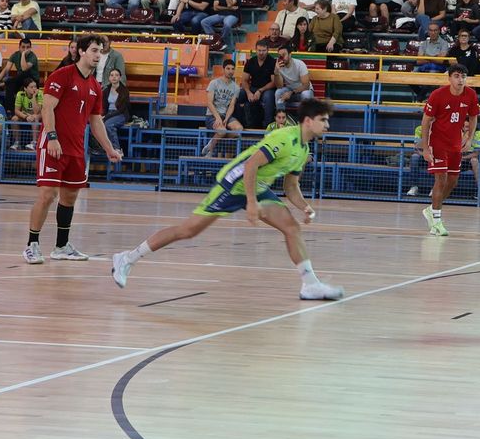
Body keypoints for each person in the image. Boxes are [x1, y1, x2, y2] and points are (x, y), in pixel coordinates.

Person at [113, 99, 343, 301]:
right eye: (323, 120)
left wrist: (305, 207)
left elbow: (291, 187)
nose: (327, 125)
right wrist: (252, 204)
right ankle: (127, 258)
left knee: (292, 228)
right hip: (234, 183)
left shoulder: (303, 151)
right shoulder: (284, 138)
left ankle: (311, 284)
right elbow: (251, 165)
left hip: (258, 187)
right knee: (187, 231)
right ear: (308, 121)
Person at [25, 34, 123, 264]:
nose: (98, 55)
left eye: (100, 51)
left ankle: (61, 246)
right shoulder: (62, 75)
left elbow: (96, 121)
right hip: (53, 144)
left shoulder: (96, 87)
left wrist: (109, 149)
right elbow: (48, 108)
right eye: (94, 50)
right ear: (81, 51)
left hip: (76, 149)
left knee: (69, 197)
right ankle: (32, 245)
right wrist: (52, 137)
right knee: (48, 194)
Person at [417, 64, 479, 237]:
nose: (460, 80)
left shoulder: (471, 95)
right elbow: (426, 121)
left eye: (463, 76)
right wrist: (425, 147)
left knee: (453, 182)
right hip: (438, 143)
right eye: (457, 76)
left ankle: (431, 209)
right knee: (441, 179)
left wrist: (469, 138)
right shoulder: (438, 95)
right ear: (450, 78)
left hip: (455, 144)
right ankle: (436, 221)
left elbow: (473, 117)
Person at [204, 59, 245, 157]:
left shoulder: (236, 87)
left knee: (239, 129)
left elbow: (232, 105)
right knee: (222, 131)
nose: (230, 71)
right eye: (228, 68)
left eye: (232, 69)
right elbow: (209, 102)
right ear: (223, 69)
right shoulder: (214, 83)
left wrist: (226, 118)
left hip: (226, 115)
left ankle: (214, 139)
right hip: (212, 115)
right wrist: (218, 117)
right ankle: (210, 148)